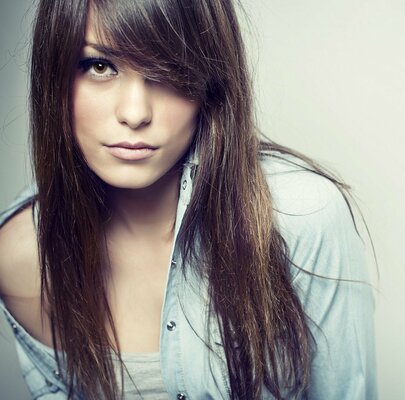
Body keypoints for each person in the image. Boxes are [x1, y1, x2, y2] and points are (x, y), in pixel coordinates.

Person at [0, 0, 376, 398]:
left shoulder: (299, 216)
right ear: (54, 73)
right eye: (99, 66)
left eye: (166, 68)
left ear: (211, 82)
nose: (134, 113)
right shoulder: (21, 258)